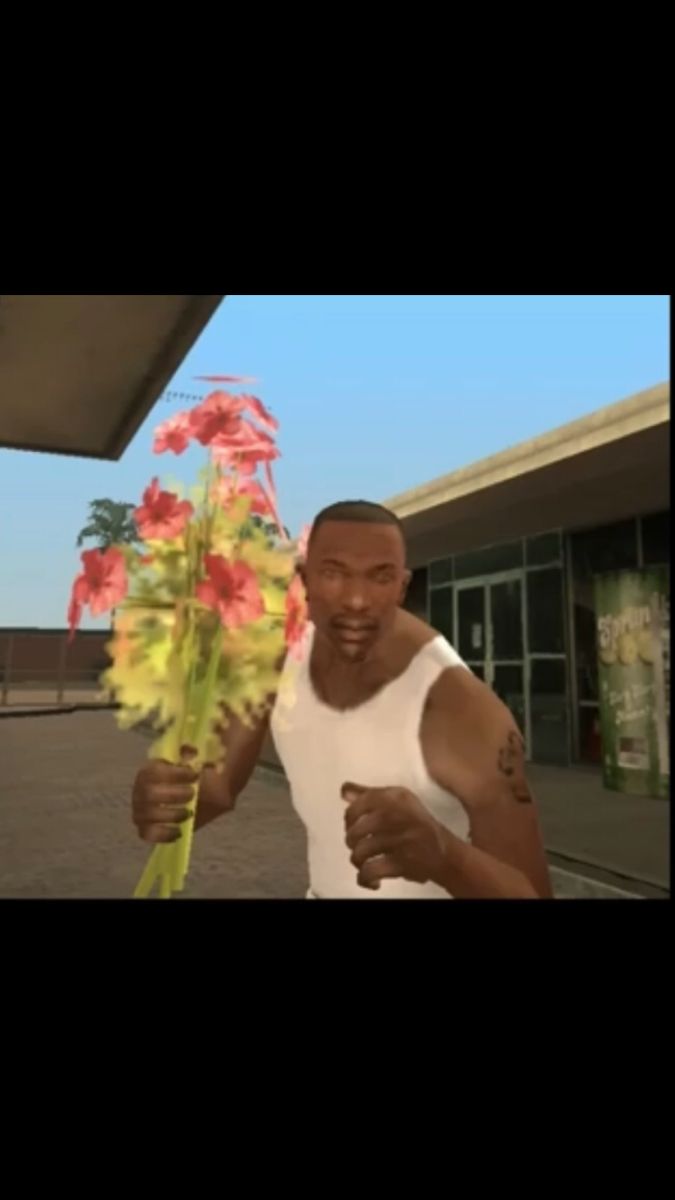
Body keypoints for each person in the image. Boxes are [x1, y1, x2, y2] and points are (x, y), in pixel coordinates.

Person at [131, 501, 553, 899]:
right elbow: (216, 790)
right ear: (304, 579)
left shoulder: (460, 709)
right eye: (334, 574)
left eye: (380, 577)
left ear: (402, 587)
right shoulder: (276, 658)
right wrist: (164, 800)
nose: (356, 600)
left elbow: (532, 893)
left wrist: (445, 855)